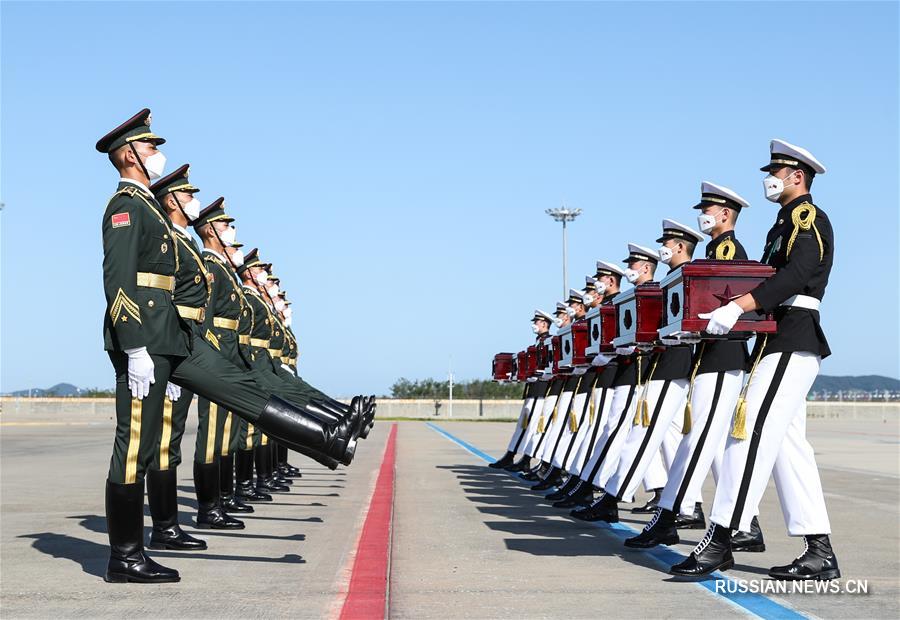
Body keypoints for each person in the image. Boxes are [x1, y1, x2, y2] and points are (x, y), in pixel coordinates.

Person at [671, 139, 839, 581]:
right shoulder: (780, 224)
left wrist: (739, 306)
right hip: (775, 338)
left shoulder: (807, 218)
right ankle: (819, 551)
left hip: (792, 334)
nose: (771, 179)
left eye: (777, 172)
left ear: (797, 177)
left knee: (748, 437)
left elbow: (797, 274)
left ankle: (722, 538)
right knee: (787, 448)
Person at [489, 310, 555, 469]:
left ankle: (523, 459)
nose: (535, 325)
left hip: (541, 390)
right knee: (524, 425)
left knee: (533, 427)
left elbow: (550, 366)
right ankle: (512, 456)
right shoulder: (537, 343)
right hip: (533, 389)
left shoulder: (549, 342)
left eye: (537, 322)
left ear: (545, 324)